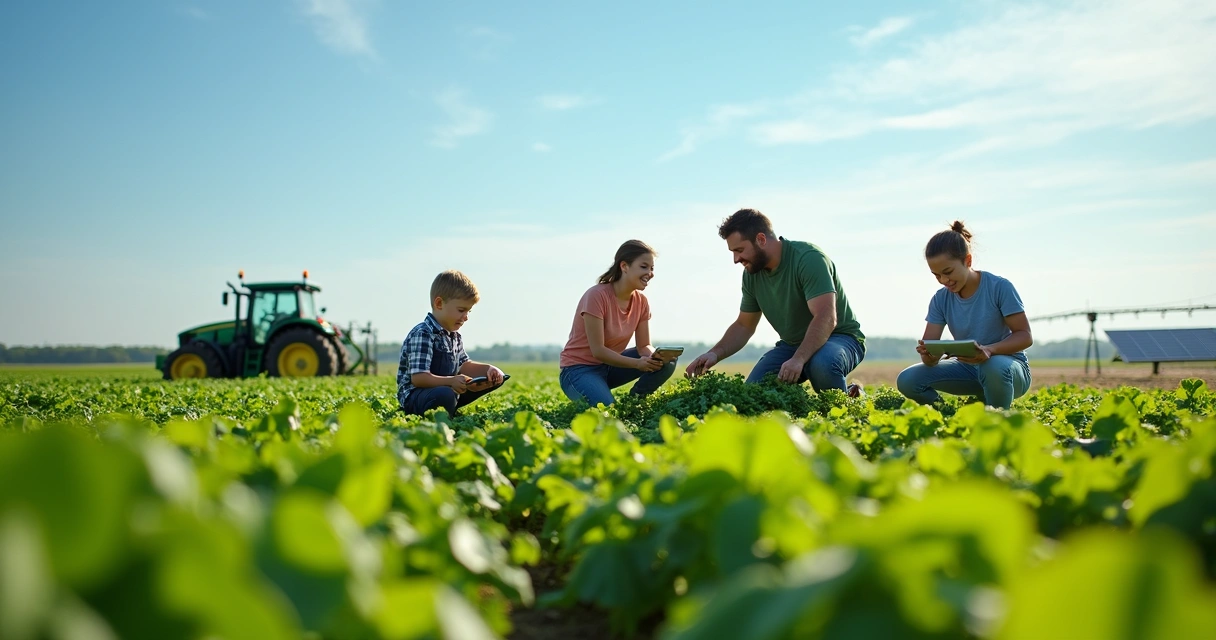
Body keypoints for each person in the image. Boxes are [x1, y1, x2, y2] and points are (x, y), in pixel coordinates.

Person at [685, 209, 865, 394]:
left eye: (739, 250)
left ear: (761, 239)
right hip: (792, 345)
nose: (736, 259)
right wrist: (714, 353)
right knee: (755, 391)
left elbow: (826, 317)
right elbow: (744, 326)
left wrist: (799, 359)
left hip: (839, 338)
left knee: (822, 364)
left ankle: (849, 402)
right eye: (733, 252)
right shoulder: (751, 275)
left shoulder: (808, 258)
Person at [896, 221, 1033, 409]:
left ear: (968, 261)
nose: (944, 281)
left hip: (1008, 369)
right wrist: (929, 354)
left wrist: (989, 350)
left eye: (948, 272)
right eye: (936, 275)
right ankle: (946, 415)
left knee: (992, 367)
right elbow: (930, 359)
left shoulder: (999, 287)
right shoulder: (940, 299)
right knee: (907, 380)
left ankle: (997, 421)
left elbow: (1025, 336)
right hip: (967, 370)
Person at [558, 240, 678, 406]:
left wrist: (654, 357)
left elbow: (643, 345)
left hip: (610, 367)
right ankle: (596, 391)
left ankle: (635, 404)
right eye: (644, 267)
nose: (650, 273)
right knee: (608, 411)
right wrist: (638, 363)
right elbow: (598, 351)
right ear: (624, 266)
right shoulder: (596, 296)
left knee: (667, 361)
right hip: (579, 370)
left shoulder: (641, 301)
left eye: (652, 268)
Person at [397, 270, 506, 416]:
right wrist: (451, 381)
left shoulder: (455, 336)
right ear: (439, 303)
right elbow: (419, 378)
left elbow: (464, 365)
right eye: (461, 310)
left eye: (469, 311)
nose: (466, 317)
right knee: (445, 394)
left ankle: (449, 404)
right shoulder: (423, 333)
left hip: (447, 388)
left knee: (494, 380)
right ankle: (444, 404)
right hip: (416, 396)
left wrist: (489, 369)